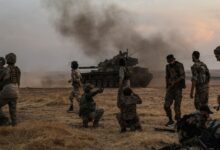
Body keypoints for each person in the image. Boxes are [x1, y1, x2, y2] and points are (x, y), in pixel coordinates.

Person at [164, 54, 186, 126]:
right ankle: (170, 120)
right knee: (166, 105)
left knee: (177, 106)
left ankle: (178, 121)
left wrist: (175, 81)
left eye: (170, 60)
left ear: (173, 59)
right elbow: (167, 76)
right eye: (168, 61)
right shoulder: (167, 67)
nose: (169, 62)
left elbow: (182, 76)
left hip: (178, 88)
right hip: (170, 88)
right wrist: (167, 85)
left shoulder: (179, 65)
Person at [0, 53, 20, 126]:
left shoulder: (4, 69)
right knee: (13, 111)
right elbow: (18, 82)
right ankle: (14, 126)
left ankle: (4, 121)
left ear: (7, 60)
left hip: (7, 90)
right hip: (16, 91)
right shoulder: (17, 69)